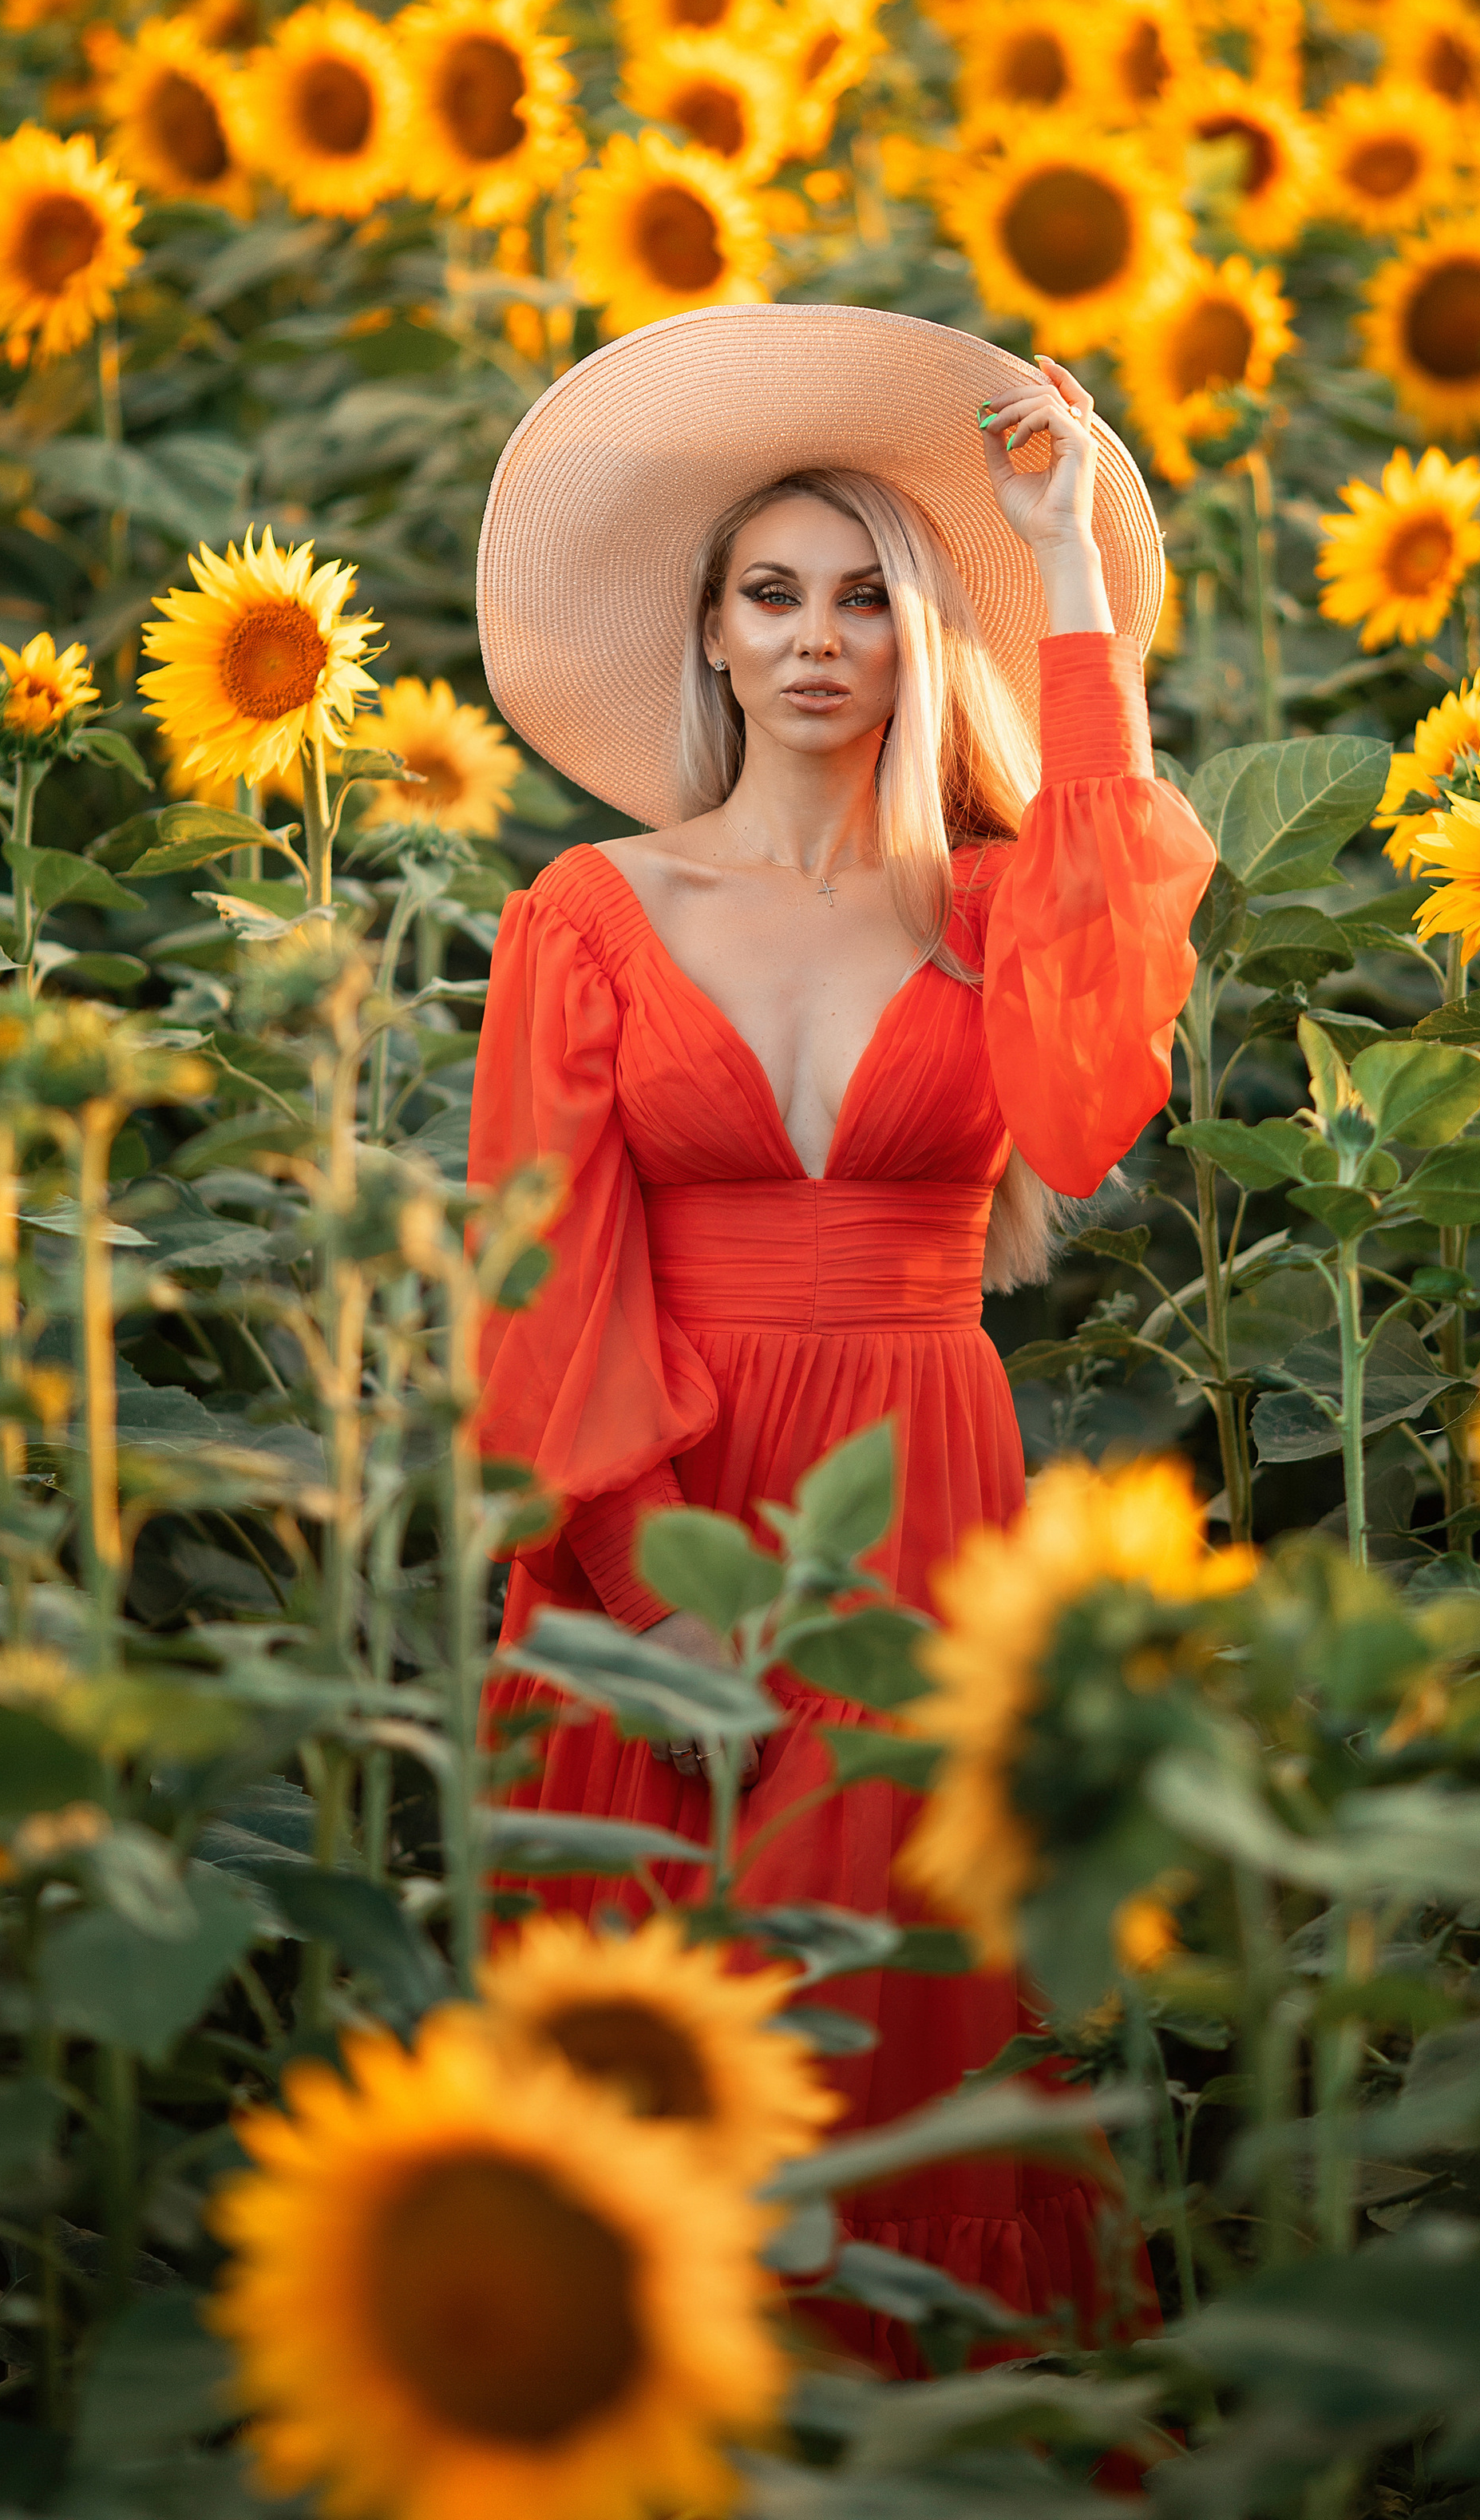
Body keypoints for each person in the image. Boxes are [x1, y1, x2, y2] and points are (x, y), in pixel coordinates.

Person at [468, 300, 1214, 2360]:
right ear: (708, 631)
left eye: (865, 601)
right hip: (663, 1520)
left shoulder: (993, 919)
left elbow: (1102, 1034)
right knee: (661, 2023)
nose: (817, 640)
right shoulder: (589, 911)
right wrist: (653, 1596)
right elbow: (536, 1277)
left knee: (909, 2006)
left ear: (915, 643)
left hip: (920, 1496)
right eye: (770, 595)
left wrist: (1064, 564)